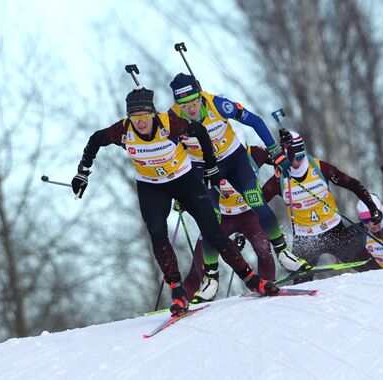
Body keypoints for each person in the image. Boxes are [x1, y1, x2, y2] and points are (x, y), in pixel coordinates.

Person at [71, 87, 279, 316]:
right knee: (158, 232)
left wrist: (210, 166)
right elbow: (95, 140)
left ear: (153, 114)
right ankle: (178, 292)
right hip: (151, 186)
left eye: (144, 117)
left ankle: (252, 280)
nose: (140, 123)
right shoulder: (122, 130)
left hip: (183, 180)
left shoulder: (169, 123)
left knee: (213, 232)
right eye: (135, 118)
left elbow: (200, 131)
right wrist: (83, 172)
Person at [168, 73, 308, 301]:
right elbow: (170, 154)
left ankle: (283, 253)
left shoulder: (218, 105)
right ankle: (211, 279)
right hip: (203, 169)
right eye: (184, 105)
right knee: (208, 219)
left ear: (200, 96)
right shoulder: (172, 120)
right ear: (177, 104)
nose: (190, 109)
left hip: (234, 160)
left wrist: (274, 151)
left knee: (257, 202)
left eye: (193, 103)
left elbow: (255, 121)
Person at [262, 130, 383, 282]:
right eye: (292, 159)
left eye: (299, 157)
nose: (295, 163)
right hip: (305, 238)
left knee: (371, 269)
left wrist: (372, 208)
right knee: (301, 284)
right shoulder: (279, 179)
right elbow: (258, 203)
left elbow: (352, 184)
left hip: (334, 231)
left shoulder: (320, 168)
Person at [183, 144, 277, 302]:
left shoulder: (254, 153)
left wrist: (284, 158)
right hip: (223, 218)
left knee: (263, 247)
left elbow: (281, 157)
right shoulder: (204, 159)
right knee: (200, 258)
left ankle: (269, 284)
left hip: (248, 214)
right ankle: (185, 299)